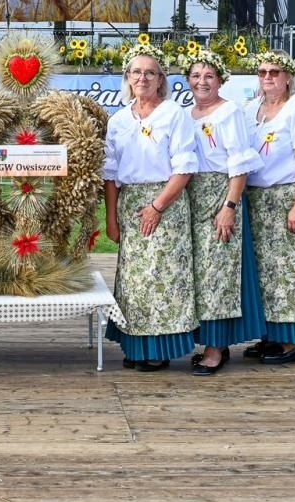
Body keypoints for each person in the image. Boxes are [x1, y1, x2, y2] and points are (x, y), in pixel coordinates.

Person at [104, 47, 198, 369]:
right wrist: (111, 219)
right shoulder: (117, 120)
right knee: (133, 281)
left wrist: (157, 206)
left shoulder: (174, 114)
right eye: (136, 72)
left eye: (150, 72)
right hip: (130, 201)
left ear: (161, 80)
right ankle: (136, 348)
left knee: (163, 276)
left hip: (166, 202)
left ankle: (159, 350)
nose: (142, 78)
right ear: (127, 79)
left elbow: (184, 168)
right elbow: (111, 175)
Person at [241, 50, 295, 365]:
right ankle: (270, 336)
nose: (268, 78)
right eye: (263, 72)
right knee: (263, 271)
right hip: (257, 200)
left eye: (275, 72)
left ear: (288, 76)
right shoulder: (252, 108)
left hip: (288, 195)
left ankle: (291, 342)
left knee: (290, 271)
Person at [181, 51, 261, 376]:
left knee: (218, 274)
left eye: (209, 76)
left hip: (219, 195)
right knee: (197, 274)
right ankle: (206, 342)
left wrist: (229, 206)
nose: (202, 81)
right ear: (187, 79)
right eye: (196, 75)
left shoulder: (230, 113)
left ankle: (216, 348)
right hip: (190, 197)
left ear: (221, 80)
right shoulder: (185, 115)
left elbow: (239, 164)